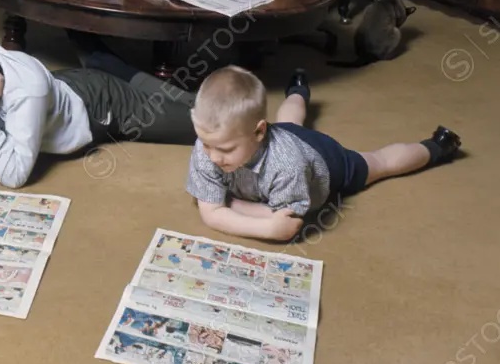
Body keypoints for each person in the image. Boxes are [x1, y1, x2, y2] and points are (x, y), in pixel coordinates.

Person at [184, 65, 461, 242]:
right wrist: (249, 215)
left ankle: (437, 147)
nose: (214, 157)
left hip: (324, 162)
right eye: (207, 144)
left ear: (258, 132)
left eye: (226, 149)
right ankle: (298, 88)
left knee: (379, 163)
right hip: (282, 133)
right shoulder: (208, 148)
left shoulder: (287, 165)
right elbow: (212, 214)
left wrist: (234, 209)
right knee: (289, 124)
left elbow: (286, 224)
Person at [0, 20, 197, 189]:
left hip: (101, 105)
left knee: (200, 123)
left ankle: (114, 69)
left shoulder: (26, 88)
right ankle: (104, 60)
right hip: (59, 87)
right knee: (97, 71)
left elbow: (14, 175)